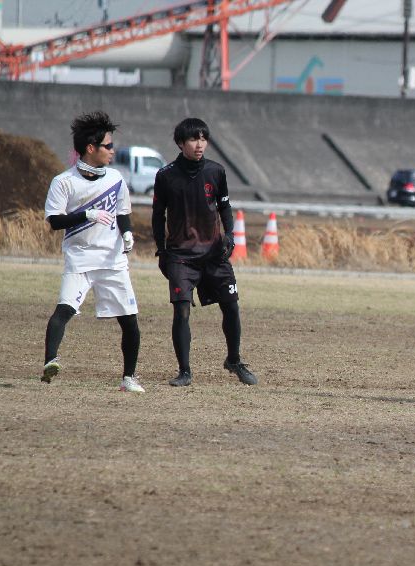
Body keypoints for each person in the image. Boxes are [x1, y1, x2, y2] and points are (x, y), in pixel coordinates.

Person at [40, 111, 143, 392]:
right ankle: (50, 361)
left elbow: (122, 212)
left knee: (130, 321)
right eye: (108, 146)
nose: (113, 151)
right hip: (80, 258)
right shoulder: (64, 181)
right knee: (64, 309)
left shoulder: (116, 178)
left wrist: (127, 233)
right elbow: (54, 221)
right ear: (90, 148)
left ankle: (129, 378)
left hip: (112, 260)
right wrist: (87, 214)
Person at [152, 117, 257, 387]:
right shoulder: (166, 176)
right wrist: (162, 251)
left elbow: (224, 206)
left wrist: (230, 235)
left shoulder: (216, 171)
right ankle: (184, 371)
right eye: (193, 139)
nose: (199, 145)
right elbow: (157, 216)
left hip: (214, 254)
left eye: (203, 139)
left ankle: (234, 360)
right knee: (182, 311)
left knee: (231, 306)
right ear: (180, 143)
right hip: (181, 257)